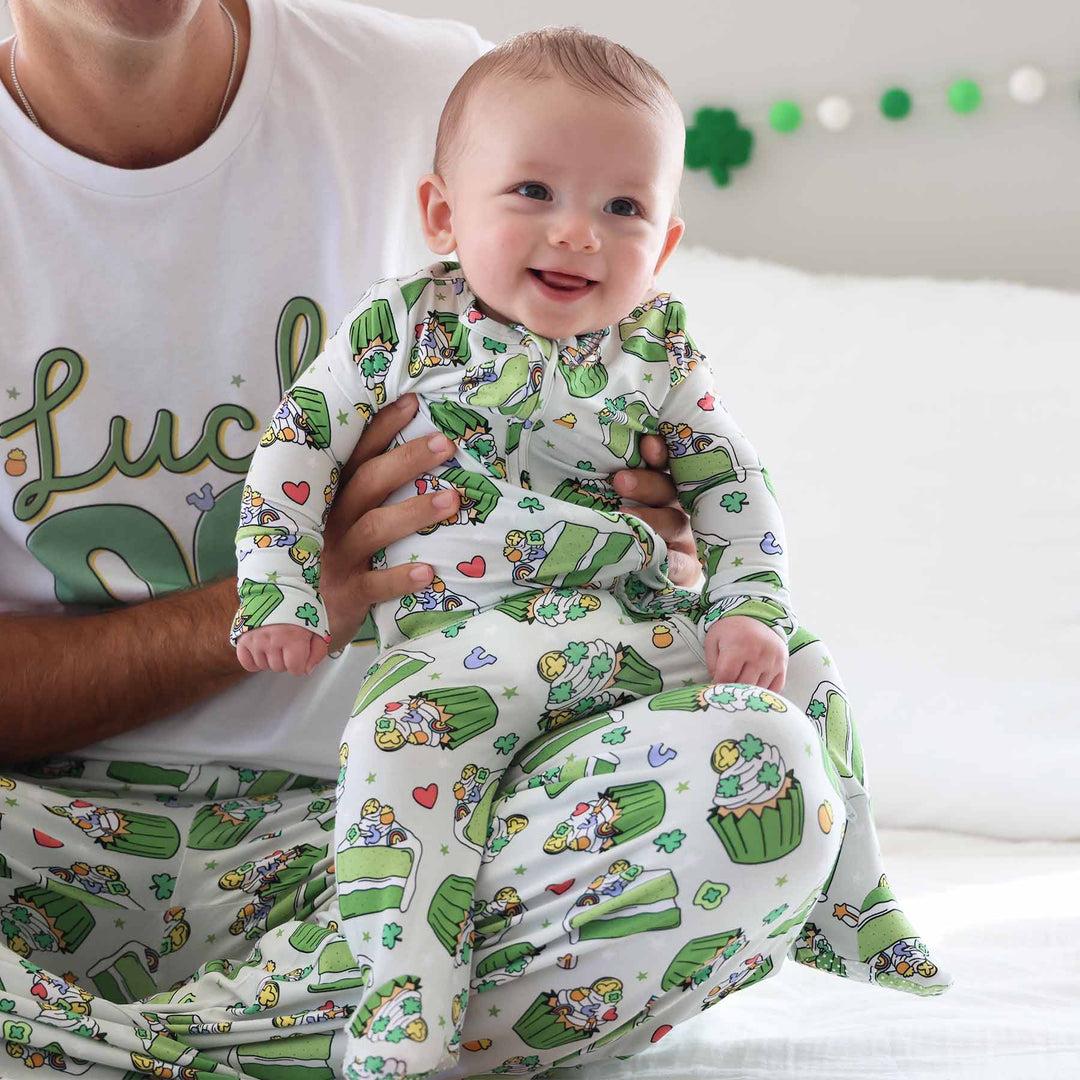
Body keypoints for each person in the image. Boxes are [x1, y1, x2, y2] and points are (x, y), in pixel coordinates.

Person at [0, 2, 950, 1078]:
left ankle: (118, 1046)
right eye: (535, 199)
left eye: (621, 209)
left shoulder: (451, 94)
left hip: (460, 835)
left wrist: (674, 558)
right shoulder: (396, 321)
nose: (574, 230)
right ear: (439, 216)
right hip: (48, 837)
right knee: (422, 732)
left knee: (762, 766)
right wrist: (283, 590)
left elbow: (720, 489)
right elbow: (299, 451)